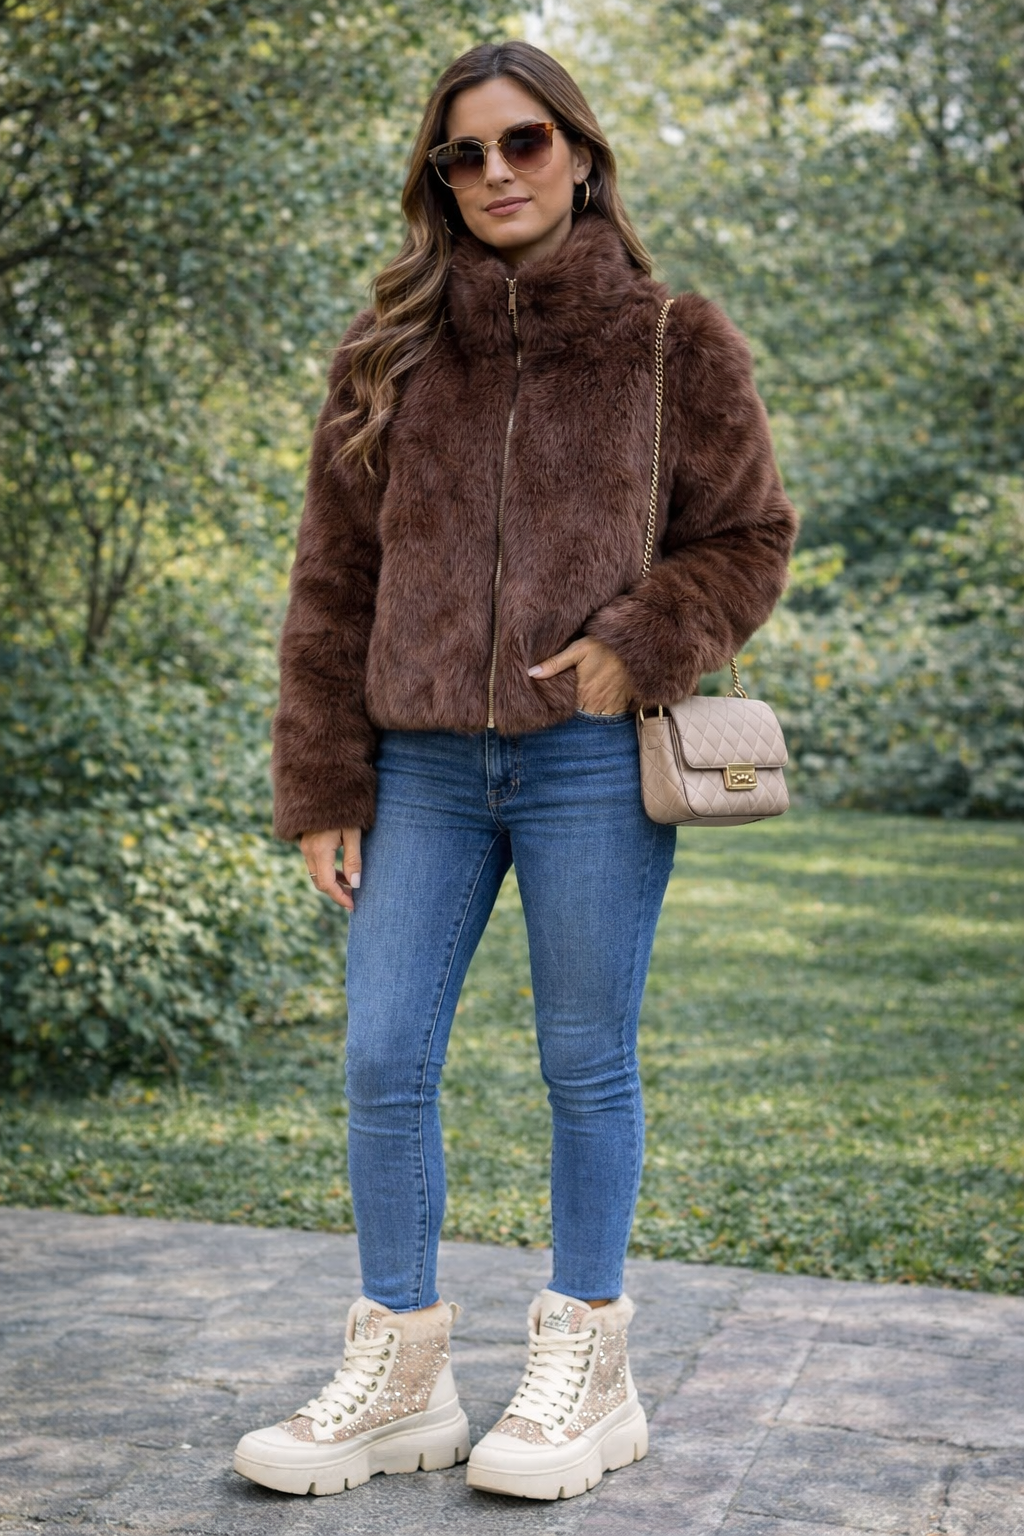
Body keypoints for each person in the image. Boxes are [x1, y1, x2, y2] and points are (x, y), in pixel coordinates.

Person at [233, 38, 798, 1503]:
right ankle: (402, 1377)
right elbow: (332, 581)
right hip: (419, 768)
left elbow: (750, 539)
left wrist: (638, 644)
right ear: (439, 178)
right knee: (381, 1054)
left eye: (524, 142)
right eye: (463, 153)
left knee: (584, 1059)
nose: (495, 172)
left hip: (589, 763)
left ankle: (589, 1374)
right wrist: (323, 783)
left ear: (582, 155)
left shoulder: (675, 343)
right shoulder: (388, 352)